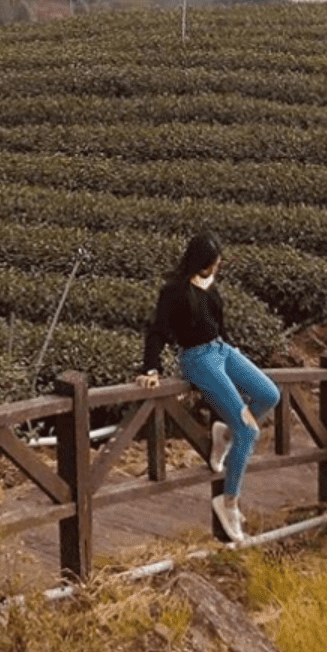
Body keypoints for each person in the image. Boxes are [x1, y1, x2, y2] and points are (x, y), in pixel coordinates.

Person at [134, 231, 280, 542]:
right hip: (198, 360)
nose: (218, 265)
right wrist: (151, 368)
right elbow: (157, 331)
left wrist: (232, 350)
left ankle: (224, 434)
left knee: (270, 394)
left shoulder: (210, 286)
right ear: (202, 262)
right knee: (250, 430)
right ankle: (228, 502)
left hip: (222, 350)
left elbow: (220, 326)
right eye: (215, 261)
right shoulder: (174, 291)